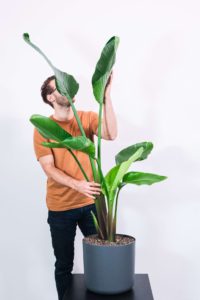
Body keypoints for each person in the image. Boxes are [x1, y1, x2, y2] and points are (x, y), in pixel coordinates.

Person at [33, 73, 117, 300]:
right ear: (50, 97)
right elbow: (48, 168)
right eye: (59, 87)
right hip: (61, 208)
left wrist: (106, 96)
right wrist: (76, 184)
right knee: (63, 264)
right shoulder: (43, 127)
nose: (66, 89)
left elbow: (111, 134)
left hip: (91, 203)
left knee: (103, 257)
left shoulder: (86, 118)